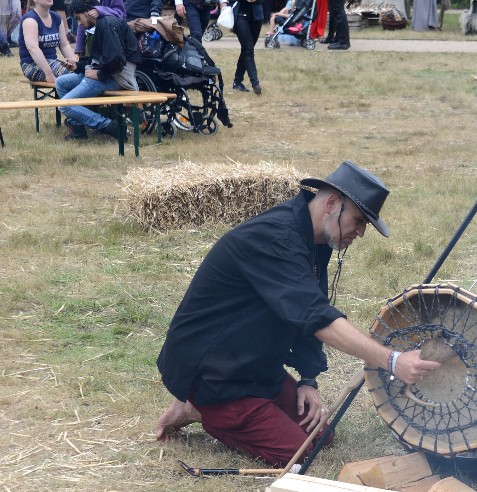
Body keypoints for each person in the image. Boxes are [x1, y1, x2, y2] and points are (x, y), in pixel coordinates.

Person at [154, 162, 440, 467]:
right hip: (217, 375)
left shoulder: (315, 240)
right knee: (299, 453)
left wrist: (307, 380)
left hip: (254, 367)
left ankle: (208, 408)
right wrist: (392, 361)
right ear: (332, 204)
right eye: (359, 220)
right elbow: (314, 315)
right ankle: (202, 409)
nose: (361, 232)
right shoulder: (275, 237)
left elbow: (306, 308)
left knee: (321, 436)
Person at [56, 0, 141, 140]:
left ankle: (108, 126)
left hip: (117, 78)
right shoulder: (101, 24)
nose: (80, 23)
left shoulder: (107, 23)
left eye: (79, 18)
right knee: (61, 82)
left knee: (65, 105)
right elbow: (98, 60)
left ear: (88, 11)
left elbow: (115, 58)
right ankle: (78, 130)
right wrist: (78, 66)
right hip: (107, 74)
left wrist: (100, 74)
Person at [19, 0, 77, 82]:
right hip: (32, 65)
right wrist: (49, 74)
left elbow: (64, 45)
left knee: (81, 71)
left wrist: (74, 63)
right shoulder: (30, 20)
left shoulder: (56, 18)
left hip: (53, 62)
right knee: (72, 75)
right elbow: (33, 49)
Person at [221, 0, 262, 93]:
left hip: (256, 16)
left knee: (247, 50)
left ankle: (237, 82)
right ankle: (255, 84)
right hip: (239, 15)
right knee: (248, 49)